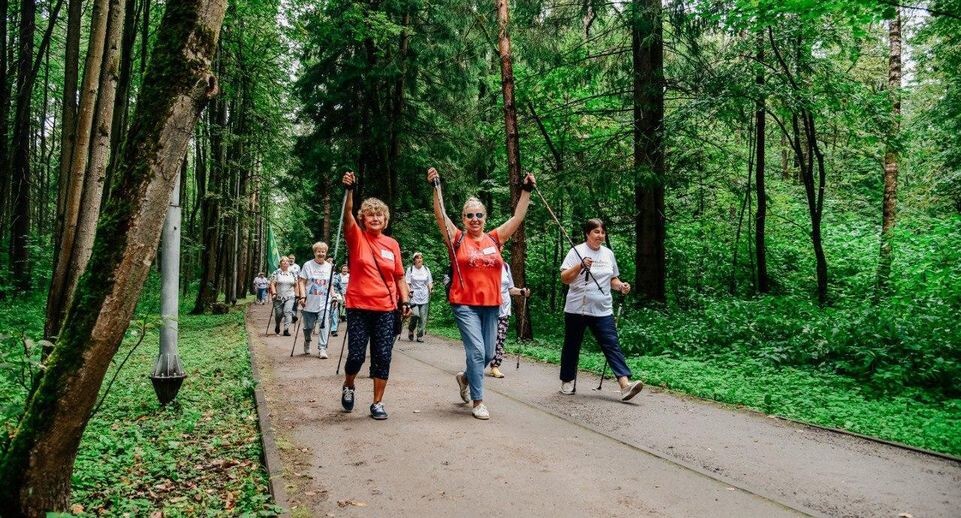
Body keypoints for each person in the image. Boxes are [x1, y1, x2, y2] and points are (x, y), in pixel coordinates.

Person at [427, 166, 535, 420]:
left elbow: (517, 218)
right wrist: (436, 187)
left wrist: (526, 191)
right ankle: (478, 401)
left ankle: (465, 378)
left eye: (479, 215)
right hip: (464, 303)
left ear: (485, 217)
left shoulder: (495, 239)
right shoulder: (456, 239)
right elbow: (440, 216)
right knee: (476, 351)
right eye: (469, 215)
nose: (474, 219)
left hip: (491, 304)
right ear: (463, 219)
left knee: (487, 354)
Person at [340, 171, 411, 420]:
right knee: (357, 355)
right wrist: (350, 190)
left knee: (383, 355)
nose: (375, 218)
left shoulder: (392, 244)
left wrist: (405, 300)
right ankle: (349, 384)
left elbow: (399, 276)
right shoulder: (356, 237)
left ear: (386, 219)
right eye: (369, 214)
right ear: (363, 218)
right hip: (358, 306)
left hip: (386, 308)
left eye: (379, 214)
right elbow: (347, 213)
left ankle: (377, 403)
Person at [558, 218, 643, 401]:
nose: (601, 236)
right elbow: (565, 278)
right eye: (596, 232)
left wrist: (621, 286)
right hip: (577, 308)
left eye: (603, 232)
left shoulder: (608, 254)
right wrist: (580, 266)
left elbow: (612, 279)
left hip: (602, 309)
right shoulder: (577, 251)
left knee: (611, 345)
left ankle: (625, 385)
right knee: (572, 345)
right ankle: (567, 380)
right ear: (587, 234)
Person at [487, 263, 530, 378]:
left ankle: (495, 366)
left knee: (500, 339)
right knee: (484, 340)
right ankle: (475, 364)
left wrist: (521, 291)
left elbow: (510, 289)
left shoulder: (505, 266)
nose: (500, 248)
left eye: (501, 246)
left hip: (503, 310)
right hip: (487, 309)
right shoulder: (485, 264)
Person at [297, 242, 334, 358]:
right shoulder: (308, 265)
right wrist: (302, 297)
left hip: (324, 302)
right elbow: (301, 282)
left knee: (324, 324)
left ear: (326, 253)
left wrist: (333, 296)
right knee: (308, 327)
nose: (321, 253)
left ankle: (322, 348)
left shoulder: (330, 267)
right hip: (309, 302)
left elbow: (330, 285)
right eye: (319, 251)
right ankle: (307, 340)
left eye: (323, 251)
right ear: (314, 252)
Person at [405, 252, 433, 342]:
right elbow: (407, 282)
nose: (419, 260)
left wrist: (431, 289)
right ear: (414, 260)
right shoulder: (411, 269)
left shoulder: (426, 269)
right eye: (417, 258)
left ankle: (420, 335)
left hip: (424, 295)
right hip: (414, 296)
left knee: (422, 316)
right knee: (415, 315)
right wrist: (409, 291)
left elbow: (429, 282)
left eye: (421, 258)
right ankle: (411, 329)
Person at [269, 258, 298, 336]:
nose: (285, 262)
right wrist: (274, 293)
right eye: (283, 261)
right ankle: (277, 325)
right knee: (279, 314)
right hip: (278, 296)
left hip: (290, 296)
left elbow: (296, 284)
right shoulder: (276, 272)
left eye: (287, 261)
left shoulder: (293, 273)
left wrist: (297, 295)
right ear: (280, 263)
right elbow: (272, 284)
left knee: (287, 312)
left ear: (289, 263)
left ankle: (286, 329)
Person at [330, 262, 345, 337]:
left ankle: (334, 329)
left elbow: (340, 287)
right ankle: (325, 328)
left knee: (334, 312)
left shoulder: (337, 275)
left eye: (332, 264)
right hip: (324, 296)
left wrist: (343, 297)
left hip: (335, 295)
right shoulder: (323, 273)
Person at [288, 254, 301, 323]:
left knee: (295, 302)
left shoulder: (297, 267)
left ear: (294, 259)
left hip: (295, 286)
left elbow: (300, 277)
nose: (291, 259)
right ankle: (289, 315)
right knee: (287, 301)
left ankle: (294, 316)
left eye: (292, 258)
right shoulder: (285, 266)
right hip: (287, 286)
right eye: (290, 258)